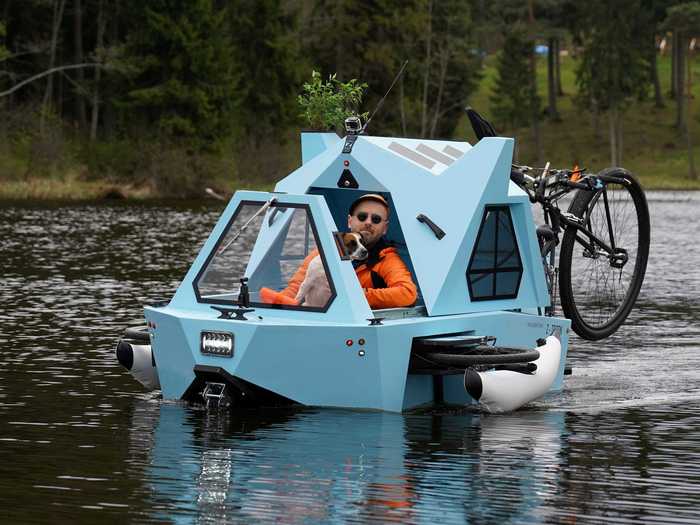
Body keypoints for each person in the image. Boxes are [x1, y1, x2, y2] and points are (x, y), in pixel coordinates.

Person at [262, 194, 418, 309]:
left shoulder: (387, 259)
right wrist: (280, 304)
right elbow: (298, 286)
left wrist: (355, 294)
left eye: (376, 219)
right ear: (350, 221)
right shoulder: (324, 251)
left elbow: (407, 294)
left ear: (385, 228)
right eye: (362, 217)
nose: (368, 222)